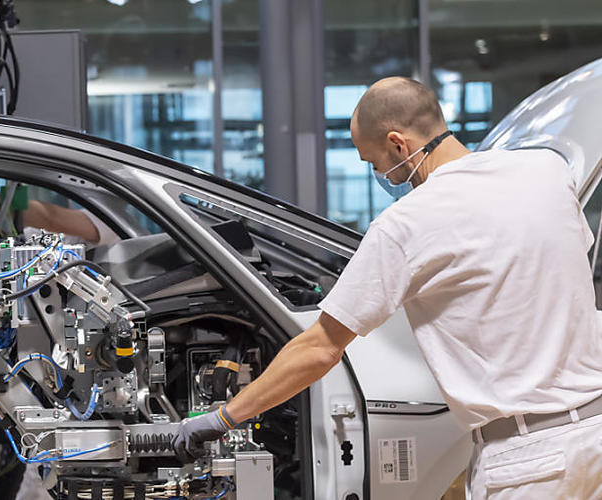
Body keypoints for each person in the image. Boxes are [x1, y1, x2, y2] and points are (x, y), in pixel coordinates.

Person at [172, 77, 602, 498]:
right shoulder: (547, 170)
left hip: (531, 463)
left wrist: (222, 418)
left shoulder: (408, 223)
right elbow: (564, 264)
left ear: (399, 144)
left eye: (373, 163)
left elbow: (320, 348)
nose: (381, 176)